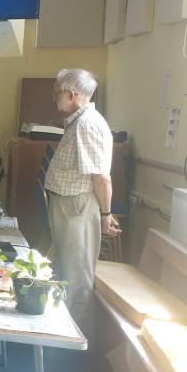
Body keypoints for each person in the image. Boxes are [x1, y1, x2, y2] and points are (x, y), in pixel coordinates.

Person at [44, 68, 119, 340]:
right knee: (66, 268)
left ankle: (75, 343)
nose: (54, 98)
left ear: (71, 94)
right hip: (69, 206)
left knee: (76, 276)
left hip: (77, 207)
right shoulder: (78, 121)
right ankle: (63, 335)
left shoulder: (88, 123)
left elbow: (101, 177)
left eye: (57, 93)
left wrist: (106, 214)